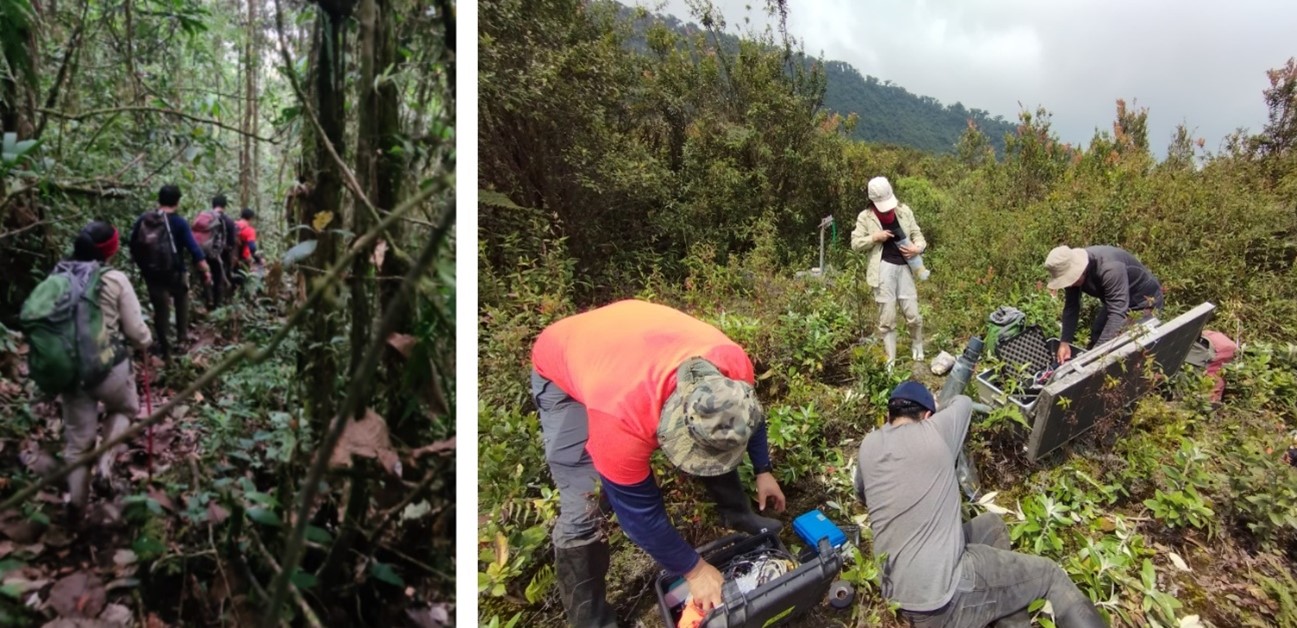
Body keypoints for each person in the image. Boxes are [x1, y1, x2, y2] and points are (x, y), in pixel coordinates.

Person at [530, 300, 787, 627]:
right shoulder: (619, 418)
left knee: (717, 437)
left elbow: (748, 420)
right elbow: (637, 514)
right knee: (586, 504)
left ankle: (737, 514)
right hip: (564, 359)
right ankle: (590, 619)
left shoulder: (731, 364)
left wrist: (763, 470)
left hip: (628, 337)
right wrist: (694, 570)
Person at [854, 381, 1106, 627]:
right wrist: (943, 402)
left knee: (993, 525)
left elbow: (863, 497)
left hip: (896, 596)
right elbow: (963, 401)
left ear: (889, 415)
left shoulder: (868, 445)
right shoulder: (936, 430)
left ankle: (1008, 616)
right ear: (929, 415)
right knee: (1050, 574)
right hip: (944, 602)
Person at [57, 222, 152, 520]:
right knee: (125, 407)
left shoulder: (58, 275)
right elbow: (137, 333)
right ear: (110, 250)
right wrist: (146, 341)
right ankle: (105, 466)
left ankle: (76, 507)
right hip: (107, 366)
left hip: (70, 369)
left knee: (77, 442)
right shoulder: (115, 279)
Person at [851, 176, 927, 369]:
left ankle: (917, 344)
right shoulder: (865, 217)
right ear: (873, 202)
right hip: (882, 269)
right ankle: (890, 359)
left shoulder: (904, 211)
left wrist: (918, 248)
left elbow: (918, 234)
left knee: (913, 313)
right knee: (887, 317)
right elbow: (855, 243)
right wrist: (875, 237)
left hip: (905, 268)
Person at [129, 184, 212, 360]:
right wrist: (205, 270)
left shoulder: (144, 219)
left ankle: (165, 349)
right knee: (181, 302)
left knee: (161, 312)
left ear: (158, 199)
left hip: (152, 275)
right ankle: (182, 339)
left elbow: (132, 244)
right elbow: (193, 248)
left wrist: (144, 267)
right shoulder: (179, 222)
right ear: (178, 202)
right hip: (175, 273)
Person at [1043, 245, 1163, 364]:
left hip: (1144, 302)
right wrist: (1064, 342)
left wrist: (1095, 357)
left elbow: (1117, 314)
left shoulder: (1110, 269)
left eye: (1070, 279)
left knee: (1123, 346)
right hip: (1118, 300)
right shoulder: (1072, 274)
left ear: (1079, 269)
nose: (1069, 285)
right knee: (1098, 332)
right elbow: (1071, 306)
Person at [191, 194, 239, 309]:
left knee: (205, 276)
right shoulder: (228, 221)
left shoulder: (205, 217)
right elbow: (232, 242)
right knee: (218, 278)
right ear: (225, 206)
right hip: (219, 254)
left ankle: (207, 300)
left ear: (213, 205)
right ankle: (217, 305)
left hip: (201, 252)